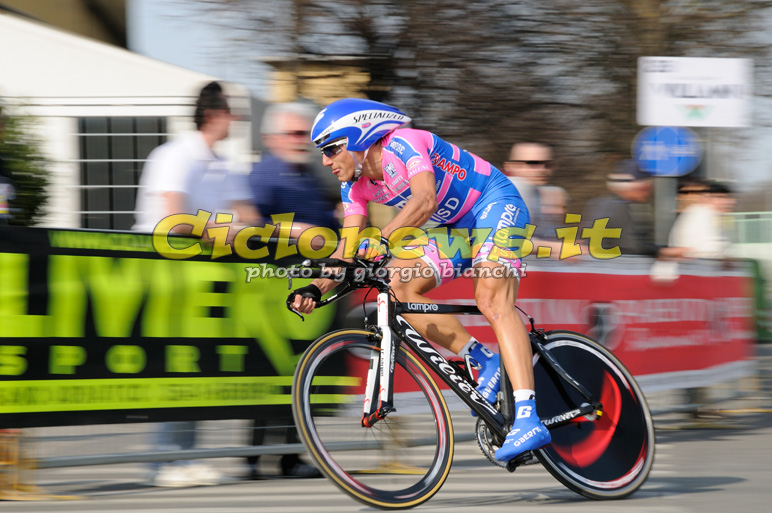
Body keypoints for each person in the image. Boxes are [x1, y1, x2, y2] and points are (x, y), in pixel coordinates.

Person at [288, 98, 551, 463]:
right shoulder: (354, 186)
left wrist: (383, 237)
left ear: (357, 137)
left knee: (491, 299)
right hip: (456, 227)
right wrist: (315, 289)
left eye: (331, 149)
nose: (325, 161)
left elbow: (425, 200)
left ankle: (528, 417)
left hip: (494, 203)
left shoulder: (404, 143)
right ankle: (484, 361)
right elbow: (346, 251)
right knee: (398, 286)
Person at [133, 81, 256, 487]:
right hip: (164, 274)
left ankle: (184, 457)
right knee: (178, 366)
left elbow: (250, 220)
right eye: (231, 111)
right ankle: (164, 461)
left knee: (199, 366)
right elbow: (174, 220)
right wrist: (227, 230)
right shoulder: (174, 156)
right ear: (215, 114)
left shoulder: (221, 162)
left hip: (204, 278)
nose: (236, 120)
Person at [244, 102, 336, 479]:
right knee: (272, 376)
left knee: (298, 376)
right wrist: (292, 231)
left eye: (306, 135)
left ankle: (288, 457)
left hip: (304, 293)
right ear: (271, 139)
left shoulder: (309, 176)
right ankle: (252, 457)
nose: (303, 142)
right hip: (267, 290)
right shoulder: (265, 175)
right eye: (294, 134)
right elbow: (247, 226)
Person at [582, 159, 658, 256]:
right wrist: (661, 251)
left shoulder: (598, 203)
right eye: (646, 188)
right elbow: (631, 247)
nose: (649, 193)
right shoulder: (620, 208)